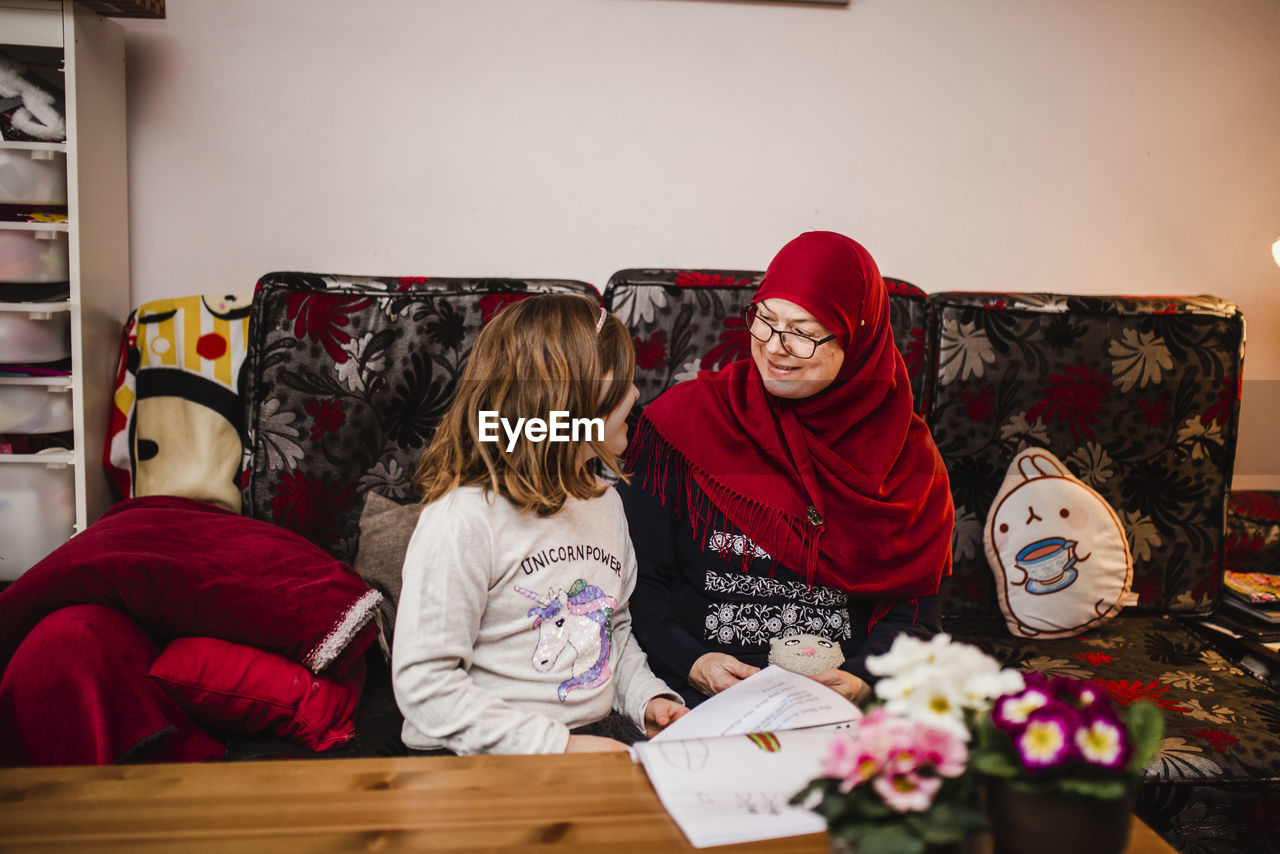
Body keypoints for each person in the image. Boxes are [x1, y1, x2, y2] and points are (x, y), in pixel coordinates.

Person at [618, 231, 954, 708]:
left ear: (858, 339)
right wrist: (692, 661)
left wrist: (861, 680)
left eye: (802, 332)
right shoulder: (684, 424)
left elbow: (916, 606)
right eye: (765, 320)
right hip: (699, 692)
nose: (775, 347)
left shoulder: (907, 459)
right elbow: (637, 579)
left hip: (839, 702)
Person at [393, 294, 688, 755]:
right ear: (570, 400)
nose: (635, 395)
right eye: (623, 381)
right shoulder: (464, 520)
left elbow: (611, 630)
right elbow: (424, 688)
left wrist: (646, 698)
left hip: (581, 741)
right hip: (474, 758)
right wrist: (559, 748)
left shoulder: (605, 503)